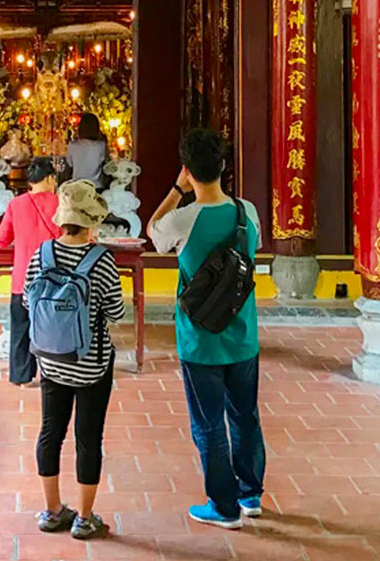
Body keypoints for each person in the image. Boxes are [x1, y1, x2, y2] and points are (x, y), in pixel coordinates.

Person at [147, 129, 265, 530]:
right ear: (223, 166)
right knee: (245, 416)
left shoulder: (183, 218)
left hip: (200, 340)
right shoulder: (246, 212)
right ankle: (250, 494)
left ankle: (223, 505)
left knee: (209, 423)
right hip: (244, 334)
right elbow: (255, 247)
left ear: (187, 171)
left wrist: (176, 190)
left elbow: (153, 229)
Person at [24, 180, 125, 540]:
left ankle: (52, 511)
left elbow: (28, 302)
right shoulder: (102, 261)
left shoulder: (42, 254)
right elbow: (116, 311)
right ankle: (84, 517)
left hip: (50, 362)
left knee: (50, 432)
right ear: (91, 222)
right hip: (91, 365)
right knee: (88, 437)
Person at [0, 157, 60, 386]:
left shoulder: (16, 205)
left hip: (23, 280)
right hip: (55, 280)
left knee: (21, 329)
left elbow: (1, 240)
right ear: (50, 179)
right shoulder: (61, 203)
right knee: (54, 329)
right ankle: (53, 374)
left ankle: (21, 378)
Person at [67, 113, 108, 187]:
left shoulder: (72, 145)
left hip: (77, 185)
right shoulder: (101, 146)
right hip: (95, 185)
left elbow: (70, 163)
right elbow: (104, 161)